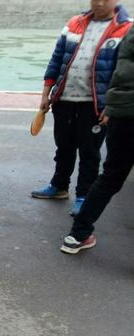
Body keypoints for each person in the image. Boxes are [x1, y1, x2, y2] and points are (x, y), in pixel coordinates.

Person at [31, 0, 131, 216]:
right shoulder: (74, 23)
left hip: (95, 106)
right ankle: (59, 186)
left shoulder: (127, 29)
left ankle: (84, 195)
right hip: (64, 100)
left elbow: (125, 75)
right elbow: (56, 60)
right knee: (64, 146)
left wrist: (111, 107)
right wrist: (46, 94)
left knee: (90, 152)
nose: (99, 3)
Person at [61, 24, 134, 254]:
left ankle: (77, 234)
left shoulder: (130, 33)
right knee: (108, 175)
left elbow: (115, 71)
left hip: (122, 113)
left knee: (110, 177)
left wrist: (110, 105)